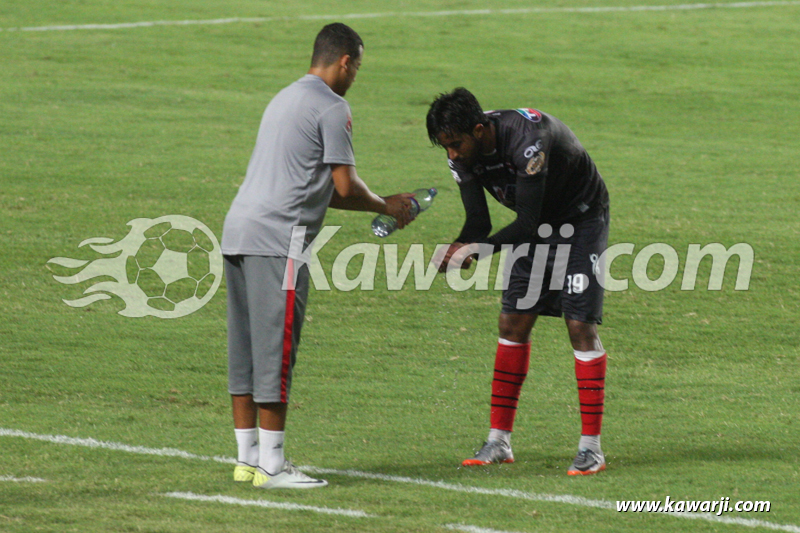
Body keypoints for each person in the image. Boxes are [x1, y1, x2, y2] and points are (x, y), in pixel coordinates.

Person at [221, 23, 414, 489]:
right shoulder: (332, 107)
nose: (355, 78)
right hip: (278, 241)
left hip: (238, 231)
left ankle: (246, 459)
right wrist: (387, 205)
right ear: (345, 62)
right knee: (276, 351)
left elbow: (321, 190)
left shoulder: (285, 97)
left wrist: (382, 202)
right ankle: (273, 466)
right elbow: (343, 184)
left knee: (244, 351)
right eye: (357, 68)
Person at [426, 88, 610, 475]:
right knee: (512, 321)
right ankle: (498, 442)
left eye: (456, 144)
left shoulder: (528, 140)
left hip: (580, 220)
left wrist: (475, 251)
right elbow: (480, 222)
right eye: (445, 147)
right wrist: (463, 243)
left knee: (579, 324)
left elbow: (526, 223)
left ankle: (591, 448)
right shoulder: (461, 156)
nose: (452, 155)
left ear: (479, 130)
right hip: (537, 224)